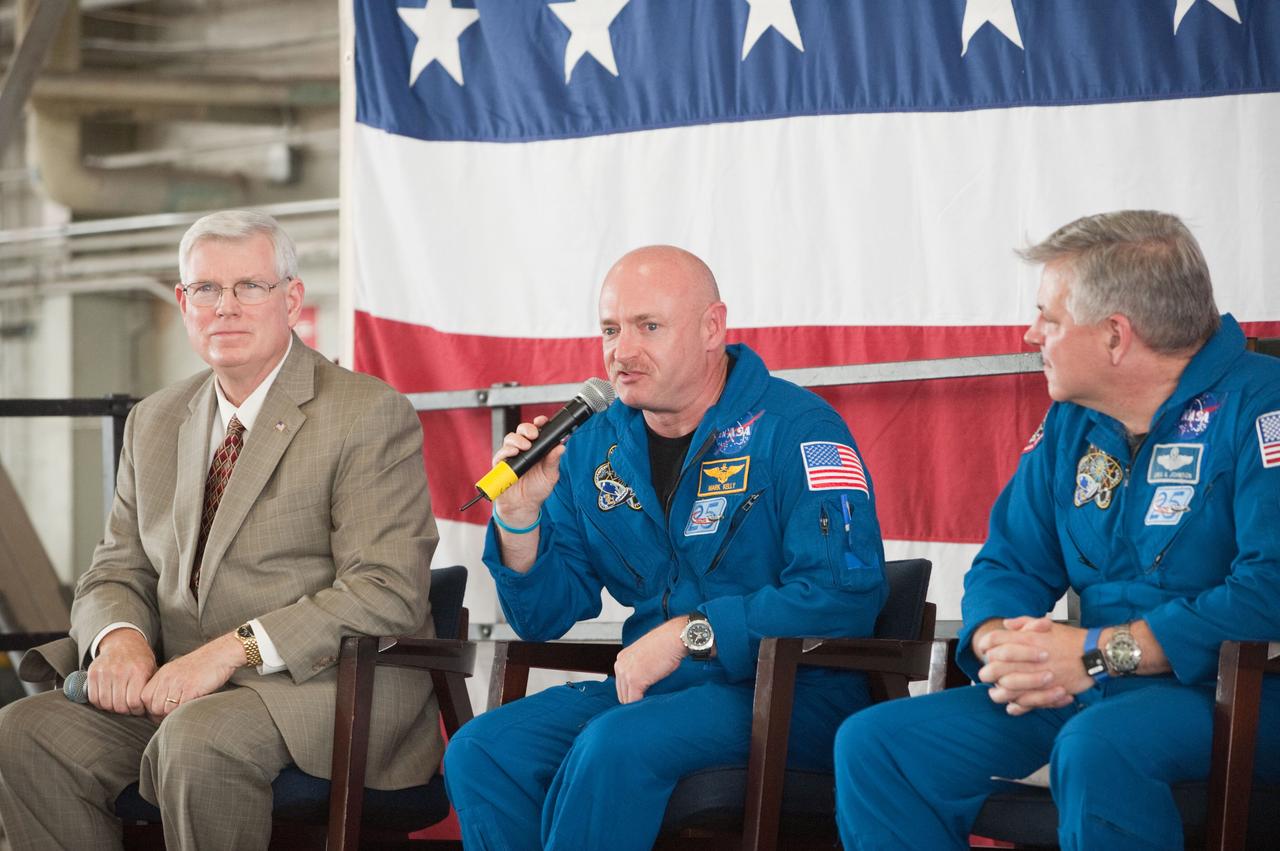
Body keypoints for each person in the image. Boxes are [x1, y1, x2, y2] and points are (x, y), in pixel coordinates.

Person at [833, 210, 1280, 849]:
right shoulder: (1073, 423)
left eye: (1049, 317)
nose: (1028, 333)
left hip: (1234, 697)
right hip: (1087, 688)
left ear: (1115, 336)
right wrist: (999, 644)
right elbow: (1009, 564)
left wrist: (1098, 653)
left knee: (1100, 747)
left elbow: (1270, 591)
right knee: (877, 744)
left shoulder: (1265, 406)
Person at [0, 210, 440, 850]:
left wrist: (232, 650)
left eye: (249, 287)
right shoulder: (155, 420)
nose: (225, 307)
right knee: (25, 732)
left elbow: (386, 589)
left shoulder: (366, 412)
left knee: (200, 740)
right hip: (175, 689)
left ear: (291, 299)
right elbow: (115, 570)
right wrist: (118, 639)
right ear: (183, 302)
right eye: (206, 289)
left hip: (322, 690)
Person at [443, 245, 887, 848]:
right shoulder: (593, 443)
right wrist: (520, 519)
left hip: (791, 692)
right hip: (659, 695)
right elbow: (544, 615)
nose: (622, 351)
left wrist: (690, 634)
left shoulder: (799, 428)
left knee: (615, 745)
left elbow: (844, 595)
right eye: (610, 329)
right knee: (483, 750)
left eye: (648, 326)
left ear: (712, 328)